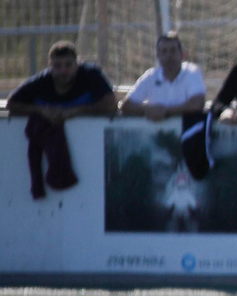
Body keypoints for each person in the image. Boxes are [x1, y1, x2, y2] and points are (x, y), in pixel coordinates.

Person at [5, 41, 116, 199]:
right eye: (58, 66)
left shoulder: (91, 75)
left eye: (68, 65)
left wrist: (76, 112)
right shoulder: (42, 81)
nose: (63, 71)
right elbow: (11, 104)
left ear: (77, 64)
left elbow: (111, 104)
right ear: (50, 66)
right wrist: (42, 111)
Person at [120, 32, 205, 122]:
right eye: (164, 51)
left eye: (173, 50)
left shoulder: (192, 72)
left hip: (186, 129)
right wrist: (148, 109)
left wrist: (165, 111)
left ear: (182, 54)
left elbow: (197, 104)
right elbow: (126, 106)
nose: (169, 56)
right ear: (158, 56)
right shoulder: (150, 76)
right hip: (156, 130)